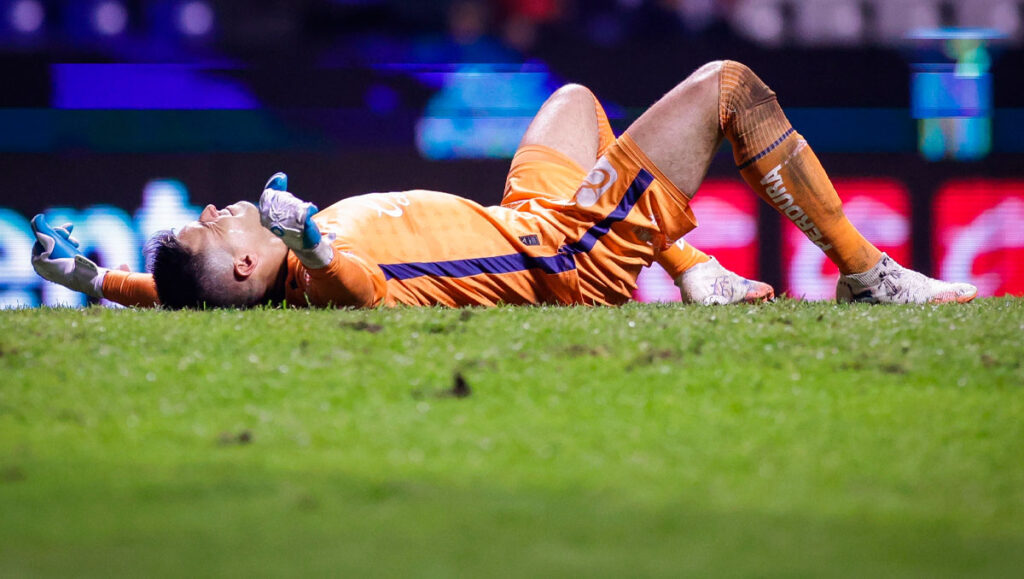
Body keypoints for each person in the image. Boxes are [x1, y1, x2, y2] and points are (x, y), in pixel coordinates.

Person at [30, 61, 977, 309]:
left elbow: (184, 297)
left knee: (573, 102)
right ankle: (869, 273)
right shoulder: (318, 282)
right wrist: (313, 238)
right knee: (728, 89)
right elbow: (356, 284)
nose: (212, 208)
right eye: (212, 226)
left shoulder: (249, 291)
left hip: (526, 216)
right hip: (565, 257)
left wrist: (96, 279)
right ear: (247, 266)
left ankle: (694, 270)